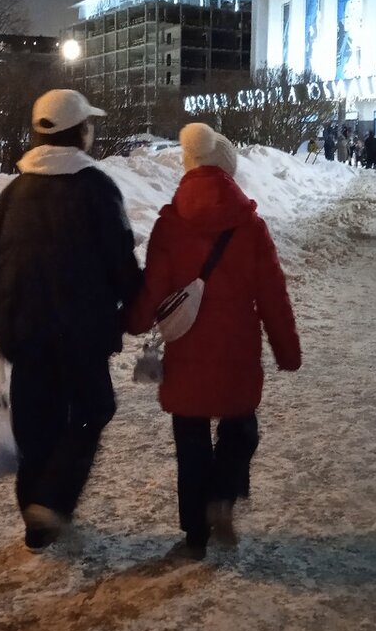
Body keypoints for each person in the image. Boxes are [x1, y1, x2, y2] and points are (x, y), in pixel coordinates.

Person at [0, 89, 142, 553]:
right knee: (93, 410)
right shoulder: (97, 188)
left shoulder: (15, 190)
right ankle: (52, 499)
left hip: (21, 332)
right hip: (81, 333)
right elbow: (119, 258)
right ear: (80, 132)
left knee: (36, 422)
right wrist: (137, 303)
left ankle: (36, 521)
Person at [126, 123, 302, 560]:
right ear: (228, 170)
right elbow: (272, 293)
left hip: (186, 349)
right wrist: (287, 348)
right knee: (241, 427)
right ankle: (223, 495)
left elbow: (153, 287)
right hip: (238, 350)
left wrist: (131, 321)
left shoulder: (170, 224)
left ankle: (195, 538)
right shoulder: (250, 225)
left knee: (191, 444)